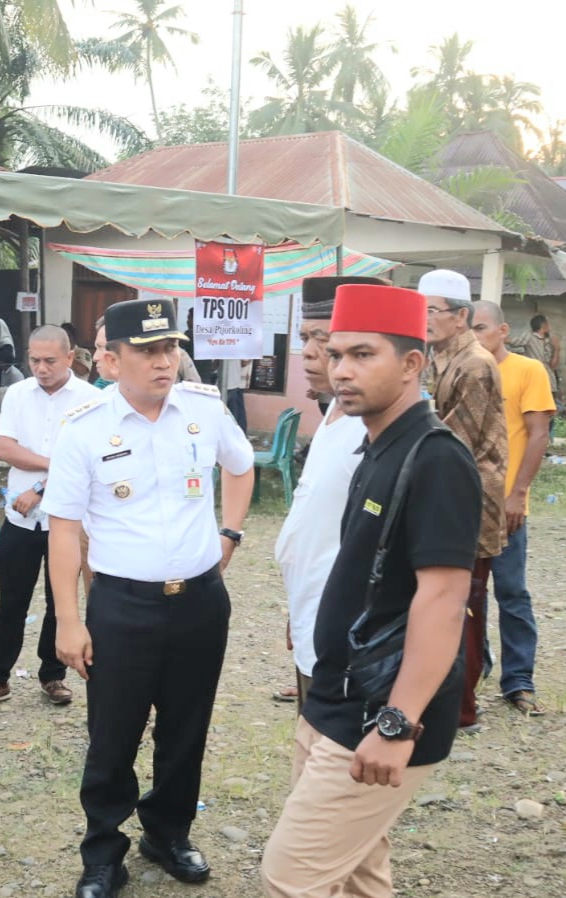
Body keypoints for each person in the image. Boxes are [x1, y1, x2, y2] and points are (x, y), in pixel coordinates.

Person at [260, 283, 481, 898]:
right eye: (336, 355)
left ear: (412, 364)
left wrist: (397, 724)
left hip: (378, 708)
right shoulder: (376, 445)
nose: (342, 370)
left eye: (363, 355)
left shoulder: (434, 458)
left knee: (290, 876)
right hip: (334, 692)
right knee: (358, 871)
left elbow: (442, 600)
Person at [42, 299, 253, 898]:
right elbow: (63, 529)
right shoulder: (85, 427)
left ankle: (168, 833)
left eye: (171, 348)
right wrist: (67, 620)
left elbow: (241, 467)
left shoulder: (203, 410)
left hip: (200, 601)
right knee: (114, 732)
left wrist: (229, 533)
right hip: (122, 606)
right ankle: (104, 852)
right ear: (110, 361)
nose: (166, 362)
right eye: (149, 352)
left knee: (187, 728)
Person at [0, 325, 100, 713]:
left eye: (49, 361)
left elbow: (88, 464)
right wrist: (59, 465)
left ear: (70, 357)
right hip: (21, 518)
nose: (40, 368)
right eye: (34, 360)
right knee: (11, 602)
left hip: (67, 520)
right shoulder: (18, 395)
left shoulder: (91, 400)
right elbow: (7, 448)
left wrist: (40, 487)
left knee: (60, 600)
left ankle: (52, 674)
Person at [272, 277, 382, 706]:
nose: (312, 354)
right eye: (306, 338)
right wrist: (300, 603)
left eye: (325, 341)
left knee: (330, 753)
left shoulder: (373, 427)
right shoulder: (335, 410)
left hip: (347, 628)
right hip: (312, 608)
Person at [420, 269, 507, 734]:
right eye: (421, 310)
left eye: (432, 311)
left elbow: (456, 440)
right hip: (443, 493)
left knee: (464, 604)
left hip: (470, 501)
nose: (425, 319)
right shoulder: (435, 358)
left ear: (461, 317)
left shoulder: (474, 363)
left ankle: (462, 709)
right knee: (438, 601)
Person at [471, 301, 553, 716]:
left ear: (503, 331)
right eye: (469, 329)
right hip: (463, 502)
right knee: (467, 594)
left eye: (482, 327)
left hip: (505, 505)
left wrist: (518, 492)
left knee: (511, 591)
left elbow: (539, 433)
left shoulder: (527, 370)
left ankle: (518, 680)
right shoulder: (462, 371)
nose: (475, 336)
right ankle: (473, 668)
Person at [514, 314, 560, 400]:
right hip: (534, 382)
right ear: (544, 325)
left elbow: (553, 365)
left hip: (549, 383)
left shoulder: (549, 340)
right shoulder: (529, 336)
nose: (550, 326)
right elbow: (514, 342)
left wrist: (556, 349)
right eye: (548, 323)